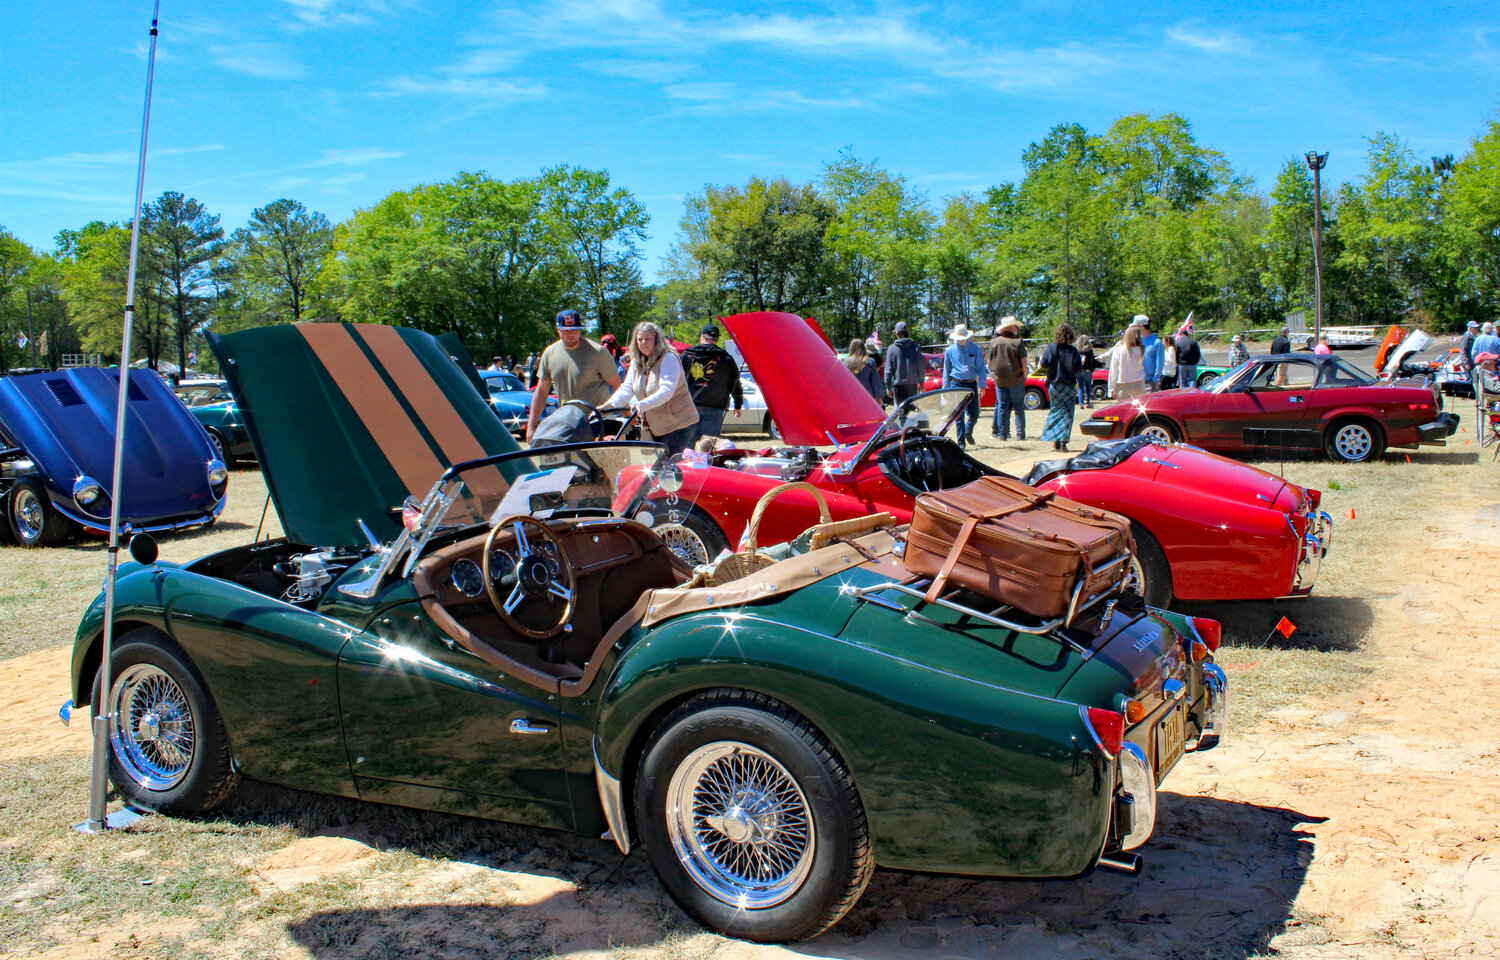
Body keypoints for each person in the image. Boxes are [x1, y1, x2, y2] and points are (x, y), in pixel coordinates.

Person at [525, 309, 623, 442]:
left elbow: (618, 387)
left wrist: (623, 416)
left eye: (575, 330)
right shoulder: (550, 353)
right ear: (558, 330)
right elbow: (542, 391)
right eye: (566, 330)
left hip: (598, 422)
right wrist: (531, 426)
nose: (571, 334)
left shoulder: (598, 352)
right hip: (568, 424)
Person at [602, 321, 699, 455]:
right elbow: (627, 388)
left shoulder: (668, 357)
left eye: (647, 339)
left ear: (656, 340)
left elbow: (666, 391)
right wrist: (608, 406)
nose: (643, 343)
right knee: (655, 468)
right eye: (639, 339)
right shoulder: (637, 362)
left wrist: (641, 405)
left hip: (679, 425)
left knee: (667, 467)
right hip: (656, 427)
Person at [681, 323, 743, 441]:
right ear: (717, 339)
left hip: (689, 406)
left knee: (689, 446)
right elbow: (735, 383)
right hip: (715, 407)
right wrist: (738, 404)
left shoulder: (686, 355)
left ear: (702, 337)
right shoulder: (726, 358)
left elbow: (675, 381)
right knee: (709, 445)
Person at [943, 323, 987, 448]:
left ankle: (968, 431)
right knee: (959, 415)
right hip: (956, 383)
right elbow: (946, 371)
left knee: (974, 413)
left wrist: (982, 385)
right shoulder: (950, 351)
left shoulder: (976, 349)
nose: (961, 341)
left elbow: (982, 369)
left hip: (971, 383)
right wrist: (945, 389)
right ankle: (961, 442)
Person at [1039, 324, 1082, 451]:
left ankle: (1055, 439)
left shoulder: (1051, 348)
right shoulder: (1073, 351)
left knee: (1056, 410)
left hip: (1055, 385)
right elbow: (1078, 369)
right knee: (1067, 413)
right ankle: (1063, 441)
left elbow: (1044, 363)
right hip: (1068, 385)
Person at [986, 316, 1027, 440]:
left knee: (1002, 406)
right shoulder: (1018, 342)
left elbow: (990, 361)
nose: (1017, 329)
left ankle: (1002, 434)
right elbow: (1024, 363)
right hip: (1016, 379)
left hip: (1000, 380)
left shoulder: (994, 342)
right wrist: (1024, 376)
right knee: (1018, 406)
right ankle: (1020, 434)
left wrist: (995, 373)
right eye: (1015, 326)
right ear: (1010, 327)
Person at [884, 321, 925, 405]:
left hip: (898, 384)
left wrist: (888, 387)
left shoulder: (891, 349)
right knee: (912, 411)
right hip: (913, 384)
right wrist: (922, 384)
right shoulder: (915, 347)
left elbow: (888, 370)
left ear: (897, 333)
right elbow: (920, 367)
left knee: (901, 412)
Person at [1109, 326, 1147, 400]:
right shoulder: (1142, 349)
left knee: (1123, 409)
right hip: (1139, 383)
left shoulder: (1119, 350)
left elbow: (1114, 371)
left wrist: (1111, 389)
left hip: (1123, 384)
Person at [844, 338, 884, 403]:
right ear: (863, 348)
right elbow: (875, 381)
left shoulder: (845, 363)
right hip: (868, 396)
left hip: (851, 397)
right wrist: (879, 397)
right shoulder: (870, 362)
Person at [1136, 315, 1163, 392]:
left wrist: (1155, 380)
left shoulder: (1157, 342)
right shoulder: (1138, 341)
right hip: (1137, 381)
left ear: (1141, 326)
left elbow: (1160, 364)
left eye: (1136, 326)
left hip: (1150, 382)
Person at [1175, 319, 1201, 389]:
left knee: (1183, 380)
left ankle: (1184, 394)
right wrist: (1196, 361)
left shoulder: (1179, 343)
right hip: (1192, 363)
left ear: (1182, 335)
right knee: (1192, 379)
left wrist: (1178, 362)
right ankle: (1192, 393)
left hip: (1182, 364)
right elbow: (1198, 353)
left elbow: (1176, 354)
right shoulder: (1193, 342)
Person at [1077, 336, 1099, 408]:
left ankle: (1081, 403)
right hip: (1087, 370)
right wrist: (1092, 369)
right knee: (1088, 387)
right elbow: (1092, 361)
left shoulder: (1077, 349)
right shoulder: (1089, 349)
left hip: (1079, 371)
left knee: (1080, 387)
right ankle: (1088, 403)